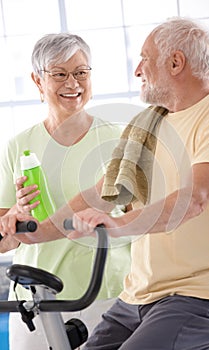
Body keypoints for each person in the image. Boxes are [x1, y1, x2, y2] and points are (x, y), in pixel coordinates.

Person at [1, 16, 209, 350]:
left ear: (175, 62)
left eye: (145, 59)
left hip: (198, 291)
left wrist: (118, 223)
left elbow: (193, 198)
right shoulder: (147, 124)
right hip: (140, 292)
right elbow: (100, 195)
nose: (137, 70)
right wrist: (35, 231)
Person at [0, 33, 131, 350]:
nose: (72, 83)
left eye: (81, 72)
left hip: (107, 294)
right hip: (35, 298)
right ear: (37, 80)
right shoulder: (19, 146)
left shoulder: (119, 138)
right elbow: (5, 242)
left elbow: (140, 221)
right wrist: (14, 219)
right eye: (59, 74)